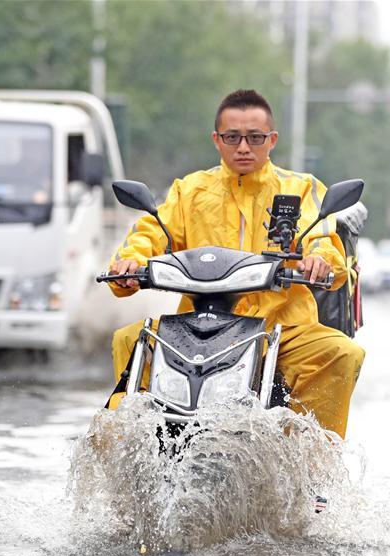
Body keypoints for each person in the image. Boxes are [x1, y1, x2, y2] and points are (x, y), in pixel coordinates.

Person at [106, 89, 365, 439]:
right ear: (217, 140)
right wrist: (128, 264)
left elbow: (320, 238)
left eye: (255, 138)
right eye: (233, 137)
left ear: (271, 140)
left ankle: (314, 465)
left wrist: (320, 261)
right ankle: (133, 447)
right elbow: (151, 232)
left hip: (283, 329)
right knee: (130, 339)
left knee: (341, 352)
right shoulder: (189, 191)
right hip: (196, 326)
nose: (244, 147)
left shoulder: (301, 189)